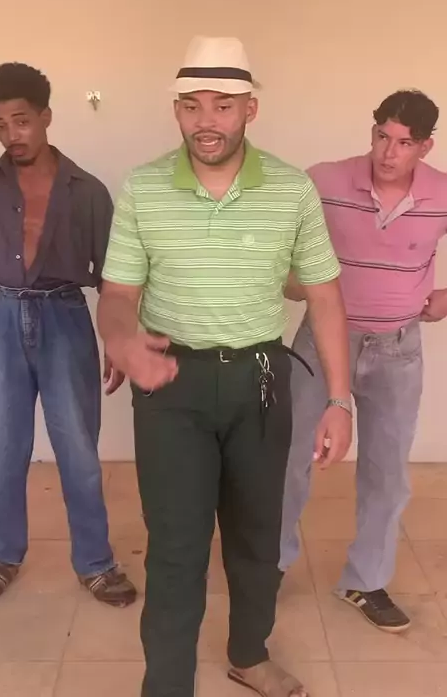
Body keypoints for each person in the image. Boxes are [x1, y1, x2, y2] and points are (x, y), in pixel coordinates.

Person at [97, 35, 352, 697]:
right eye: (191, 106)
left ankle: (249, 654)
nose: (205, 121)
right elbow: (118, 295)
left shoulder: (292, 189)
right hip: (170, 385)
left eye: (222, 105)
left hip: (260, 382)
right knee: (176, 547)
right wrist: (121, 341)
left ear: (250, 110)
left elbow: (325, 295)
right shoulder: (144, 187)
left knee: (257, 536)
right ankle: (167, 684)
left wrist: (339, 399)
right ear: (176, 110)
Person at [0, 63, 136, 609]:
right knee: (2, 449)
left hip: (65, 317)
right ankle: (0, 557)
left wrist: (119, 338)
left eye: (20, 120)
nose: (11, 134)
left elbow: (116, 276)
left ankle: (95, 561)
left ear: (45, 117)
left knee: (79, 449)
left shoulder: (88, 191)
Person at [281, 89, 446, 633]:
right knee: (288, 455)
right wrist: (291, 281)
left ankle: (365, 580)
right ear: (372, 131)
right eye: (381, 136)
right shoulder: (325, 181)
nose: (388, 152)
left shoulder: (442, 193)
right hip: (322, 340)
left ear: (425, 146)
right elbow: (274, 240)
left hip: (398, 349)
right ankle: (270, 565)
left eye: (404, 143)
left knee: (387, 470)